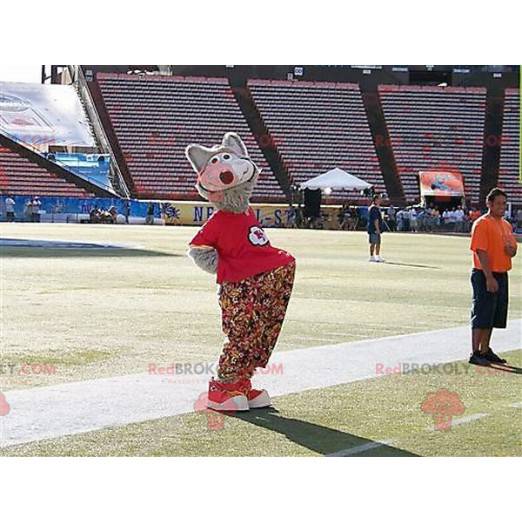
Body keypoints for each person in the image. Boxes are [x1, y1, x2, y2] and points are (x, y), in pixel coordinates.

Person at [469, 188, 517, 366]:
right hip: (484, 273)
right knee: (481, 312)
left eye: (504, 204)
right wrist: (489, 277)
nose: (502, 207)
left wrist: (511, 251)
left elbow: (512, 249)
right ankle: (475, 351)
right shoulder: (482, 223)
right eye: (498, 203)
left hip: (501, 272)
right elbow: (480, 251)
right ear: (489, 204)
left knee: (493, 314)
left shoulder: (505, 225)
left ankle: (485, 349)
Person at [367, 194, 384, 262]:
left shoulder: (377, 208)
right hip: (373, 228)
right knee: (373, 243)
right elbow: (375, 220)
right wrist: (377, 229)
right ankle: (372, 256)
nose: (381, 200)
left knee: (378, 242)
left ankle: (377, 256)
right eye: (379, 199)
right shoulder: (374, 208)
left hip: (375, 228)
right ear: (376, 200)